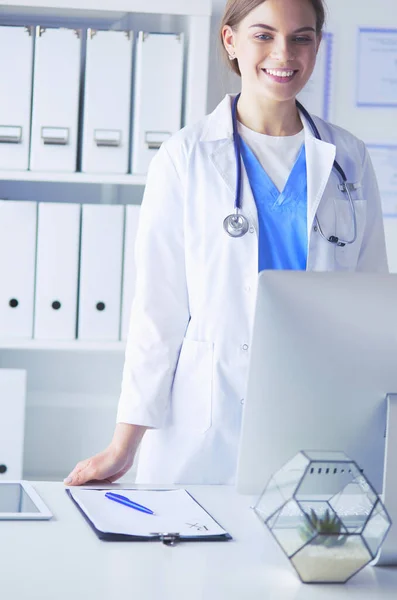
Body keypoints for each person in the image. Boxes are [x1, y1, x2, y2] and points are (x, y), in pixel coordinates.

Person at [64, 0, 387, 487]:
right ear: (230, 40)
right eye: (263, 34)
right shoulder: (185, 158)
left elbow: (371, 305)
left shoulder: (348, 158)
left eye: (302, 37)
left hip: (319, 416)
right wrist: (123, 445)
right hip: (205, 428)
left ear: (318, 45)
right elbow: (159, 313)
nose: (284, 52)